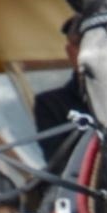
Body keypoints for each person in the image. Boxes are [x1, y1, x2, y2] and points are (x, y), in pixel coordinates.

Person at [32, 17, 91, 166]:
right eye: (81, 45)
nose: (88, 53)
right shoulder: (50, 104)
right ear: (70, 52)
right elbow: (58, 162)